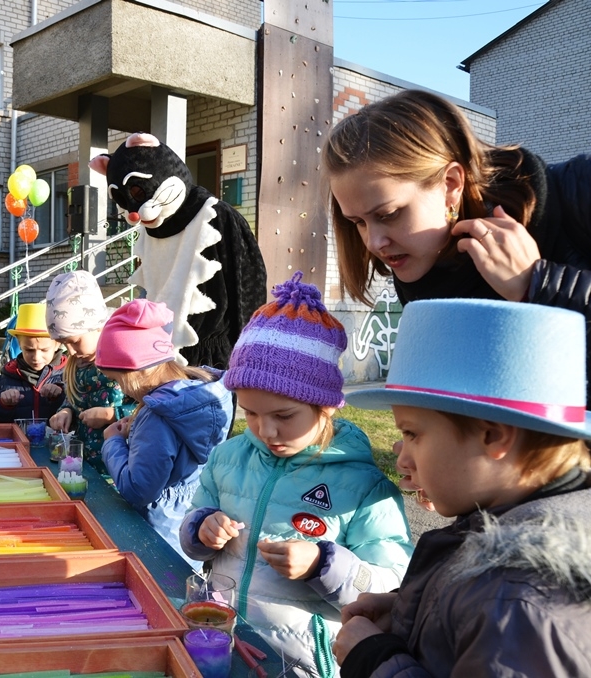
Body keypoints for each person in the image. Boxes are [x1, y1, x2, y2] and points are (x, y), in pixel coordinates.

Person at [335, 298, 591, 677]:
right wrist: (408, 609)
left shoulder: (519, 604)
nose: (403, 459)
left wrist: (374, 659)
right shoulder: (503, 534)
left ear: (493, 436)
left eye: (412, 433)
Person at [179, 274, 414, 678]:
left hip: (302, 663)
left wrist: (323, 564)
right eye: (250, 413)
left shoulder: (364, 488)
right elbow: (194, 518)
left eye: (283, 416)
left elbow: (392, 587)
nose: (265, 431)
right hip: (225, 643)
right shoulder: (228, 458)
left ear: (325, 408)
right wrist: (202, 528)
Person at [322, 88, 591, 404]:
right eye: (359, 222)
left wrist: (538, 285)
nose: (374, 242)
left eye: (389, 214)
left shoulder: (580, 191)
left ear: (450, 185)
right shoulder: (424, 266)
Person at [97, 298, 233, 563]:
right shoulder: (201, 394)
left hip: (156, 533)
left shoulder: (156, 416)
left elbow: (139, 489)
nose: (119, 389)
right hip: (189, 524)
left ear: (135, 371)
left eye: (116, 380)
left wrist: (113, 442)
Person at [44, 270, 136, 467]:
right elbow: (74, 401)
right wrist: (65, 412)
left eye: (75, 341)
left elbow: (148, 410)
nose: (70, 350)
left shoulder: (125, 363)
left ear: (97, 327)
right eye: (63, 344)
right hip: (86, 464)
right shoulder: (76, 365)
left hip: (120, 467)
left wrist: (112, 415)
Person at [0, 302, 67, 423]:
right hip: (16, 440)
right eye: (29, 350)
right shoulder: (5, 376)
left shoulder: (68, 374)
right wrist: (1, 402)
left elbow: (79, 411)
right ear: (19, 344)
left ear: (58, 344)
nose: (36, 357)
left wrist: (60, 395)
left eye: (44, 350)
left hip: (56, 441)